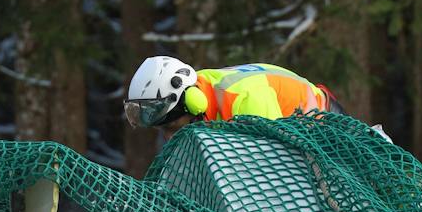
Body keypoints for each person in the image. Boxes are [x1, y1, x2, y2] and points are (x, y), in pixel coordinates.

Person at [123, 56, 339, 129]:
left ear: (192, 102)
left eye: (173, 129)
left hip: (326, 125)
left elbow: (273, 165)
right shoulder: (204, 85)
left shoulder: (245, 102)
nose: (171, 139)